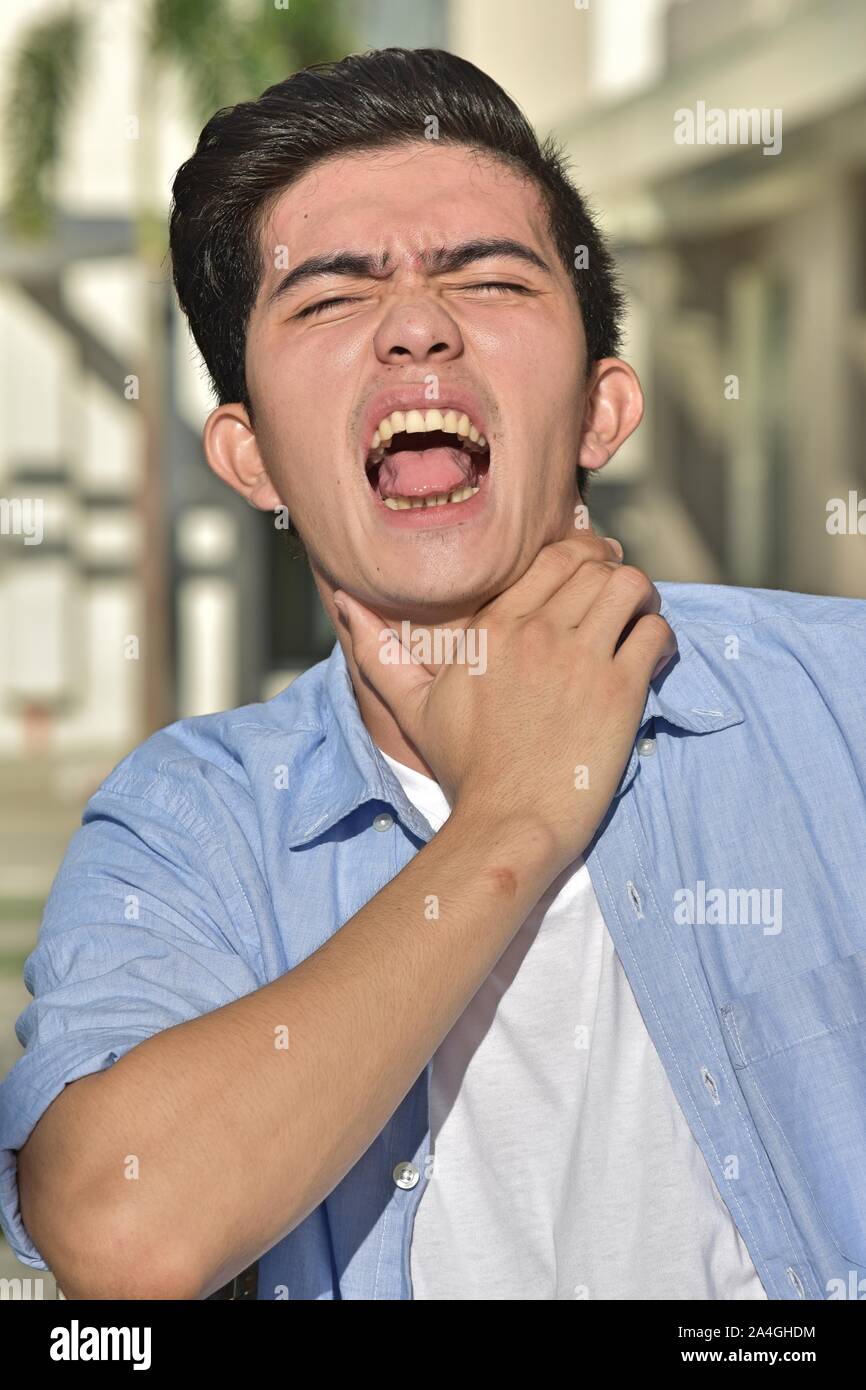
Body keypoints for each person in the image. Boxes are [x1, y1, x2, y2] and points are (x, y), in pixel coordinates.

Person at [2, 47, 865, 1302]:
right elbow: (122, 1233)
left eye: (490, 277)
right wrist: (514, 811)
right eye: (330, 299)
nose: (416, 325)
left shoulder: (837, 709)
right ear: (248, 458)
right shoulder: (191, 825)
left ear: (598, 411)